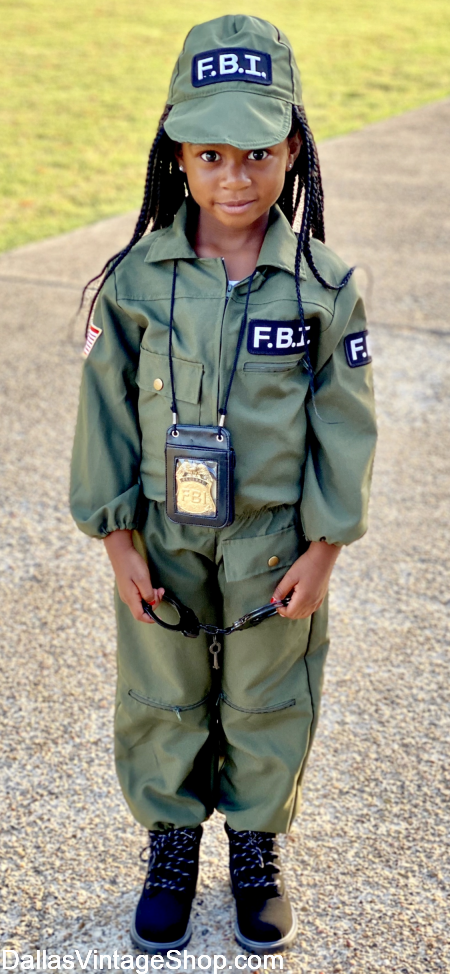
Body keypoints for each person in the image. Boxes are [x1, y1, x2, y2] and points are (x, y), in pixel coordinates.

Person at [70, 14, 377, 955]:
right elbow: (106, 419)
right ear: (177, 151)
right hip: (163, 535)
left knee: (266, 697)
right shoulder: (133, 283)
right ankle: (170, 846)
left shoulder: (323, 288)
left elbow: (345, 429)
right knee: (161, 690)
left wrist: (324, 551)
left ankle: (254, 848)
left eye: (257, 153)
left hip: (274, 540)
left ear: (293, 150)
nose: (234, 178)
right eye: (211, 154)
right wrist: (119, 542)